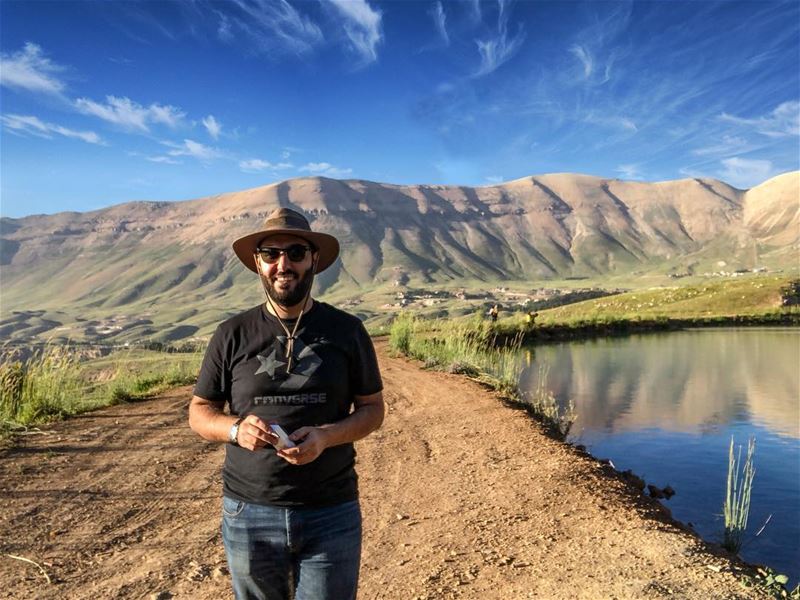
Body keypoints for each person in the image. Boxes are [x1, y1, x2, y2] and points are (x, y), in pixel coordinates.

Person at [188, 207, 384, 600]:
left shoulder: (347, 330)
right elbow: (199, 411)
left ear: (314, 260)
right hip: (248, 513)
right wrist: (235, 429)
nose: (283, 264)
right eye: (271, 254)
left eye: (295, 252)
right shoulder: (232, 333)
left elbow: (372, 410)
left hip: (331, 511)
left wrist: (327, 436)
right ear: (258, 263)